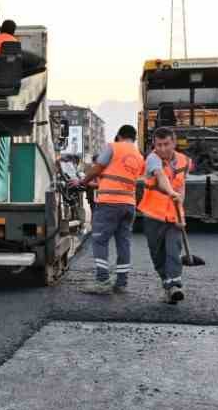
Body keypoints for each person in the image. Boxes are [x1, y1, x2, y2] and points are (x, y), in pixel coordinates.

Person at [79, 124, 145, 293]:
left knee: (100, 240)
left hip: (109, 203)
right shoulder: (139, 156)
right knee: (123, 243)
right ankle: (121, 282)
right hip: (129, 205)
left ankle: (102, 281)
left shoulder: (113, 147)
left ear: (119, 135)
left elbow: (98, 168)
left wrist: (82, 182)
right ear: (134, 138)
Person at [137, 127, 190, 303]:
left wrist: (180, 202)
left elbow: (181, 184)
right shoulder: (153, 158)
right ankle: (167, 283)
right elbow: (160, 176)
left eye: (166, 144)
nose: (162, 148)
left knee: (174, 249)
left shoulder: (184, 161)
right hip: (154, 214)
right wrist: (170, 192)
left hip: (174, 215)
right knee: (157, 254)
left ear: (174, 143)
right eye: (158, 144)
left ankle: (175, 284)